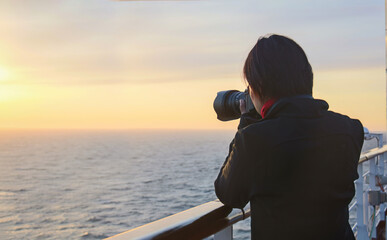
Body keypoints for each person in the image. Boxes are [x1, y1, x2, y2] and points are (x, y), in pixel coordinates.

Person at [214, 34, 364, 240]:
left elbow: (228, 194)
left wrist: (246, 121)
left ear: (258, 87)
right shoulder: (350, 129)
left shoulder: (254, 140)